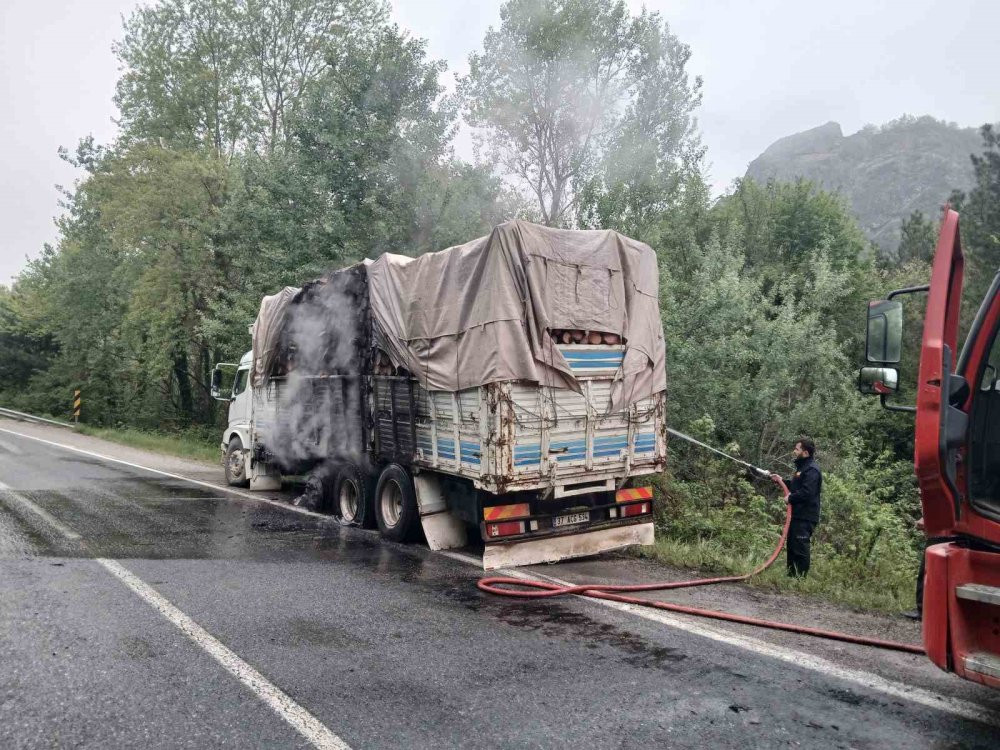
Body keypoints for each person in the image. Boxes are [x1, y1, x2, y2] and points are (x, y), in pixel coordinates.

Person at [771, 437, 822, 577]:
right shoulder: (802, 468)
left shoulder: (812, 470)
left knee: (800, 547)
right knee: (792, 547)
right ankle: (791, 576)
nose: (794, 451)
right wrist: (781, 481)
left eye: (797, 449)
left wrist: (790, 498)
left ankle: (800, 579)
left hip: (805, 517)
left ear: (805, 453)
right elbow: (796, 486)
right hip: (797, 515)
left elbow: (807, 492)